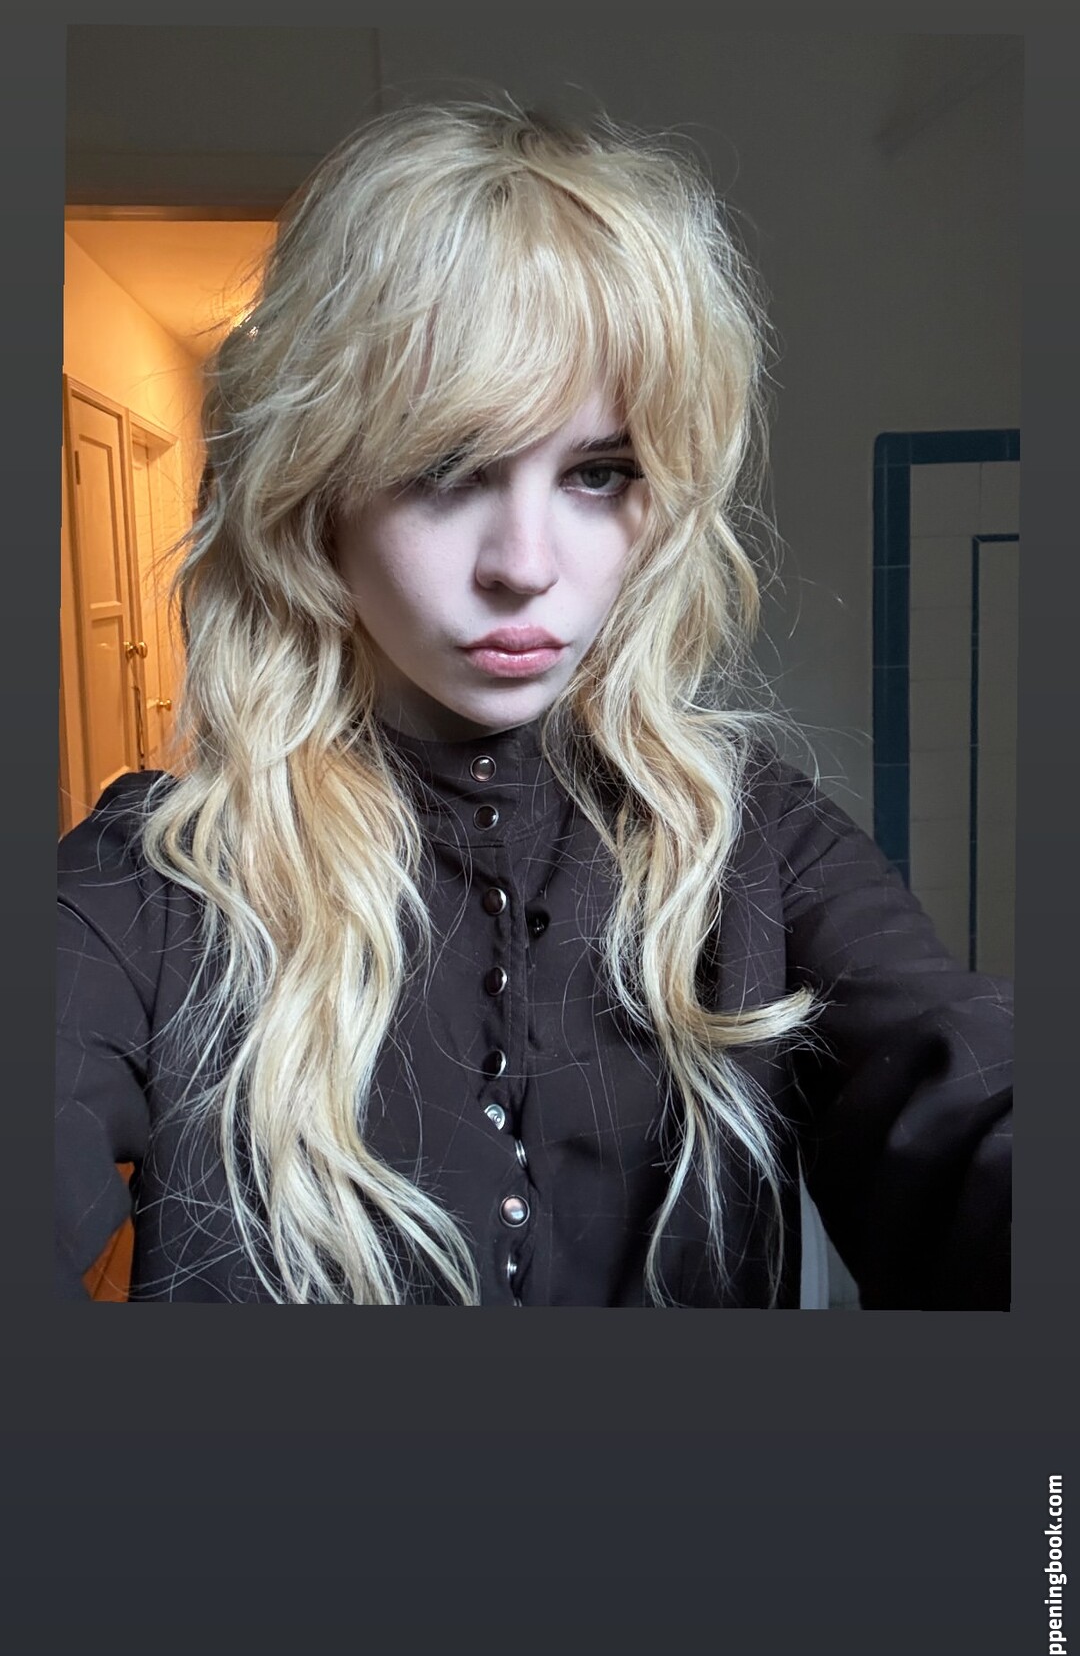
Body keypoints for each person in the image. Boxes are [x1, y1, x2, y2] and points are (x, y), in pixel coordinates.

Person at [55, 98, 1012, 1307]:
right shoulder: (152, 890)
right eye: (448, 469)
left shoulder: (759, 846)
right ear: (318, 491)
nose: (525, 565)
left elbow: (969, 1101)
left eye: (598, 474)